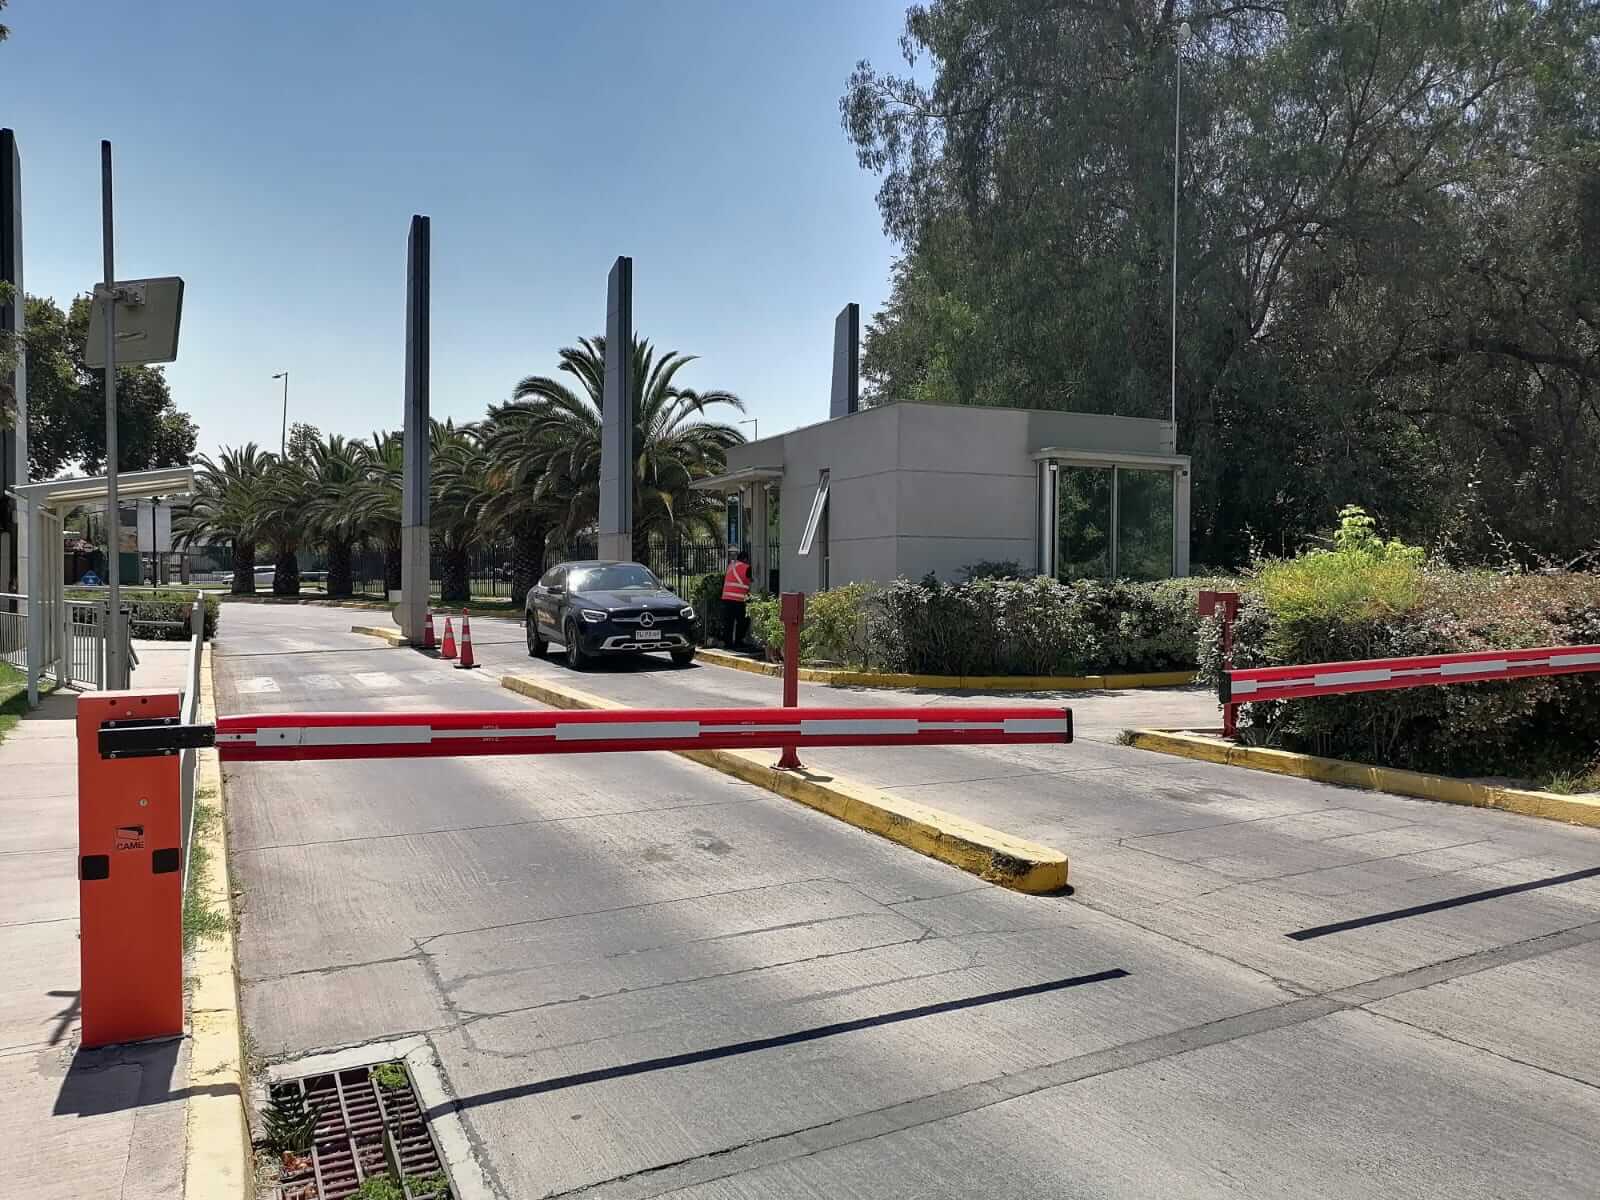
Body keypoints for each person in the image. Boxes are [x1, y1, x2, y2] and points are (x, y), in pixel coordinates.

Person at [721, 548, 752, 647]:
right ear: (745, 559)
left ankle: (728, 643)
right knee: (743, 621)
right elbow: (751, 580)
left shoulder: (731, 565)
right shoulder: (746, 567)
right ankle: (739, 641)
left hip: (726, 598)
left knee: (729, 622)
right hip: (738, 599)